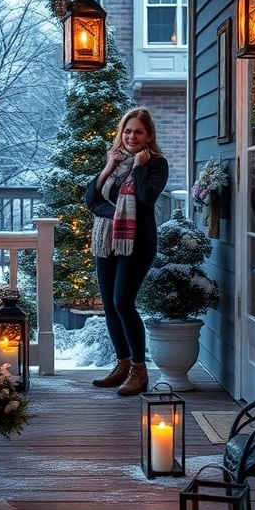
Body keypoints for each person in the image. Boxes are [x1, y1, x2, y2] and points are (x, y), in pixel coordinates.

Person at [85, 108, 169, 396]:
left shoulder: (156, 164)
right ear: (122, 133)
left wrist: (137, 168)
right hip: (108, 241)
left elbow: (146, 198)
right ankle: (121, 365)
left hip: (137, 244)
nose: (132, 136)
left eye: (138, 132)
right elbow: (92, 200)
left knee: (123, 302)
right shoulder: (115, 160)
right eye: (128, 131)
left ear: (148, 136)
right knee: (109, 304)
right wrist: (108, 168)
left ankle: (138, 369)